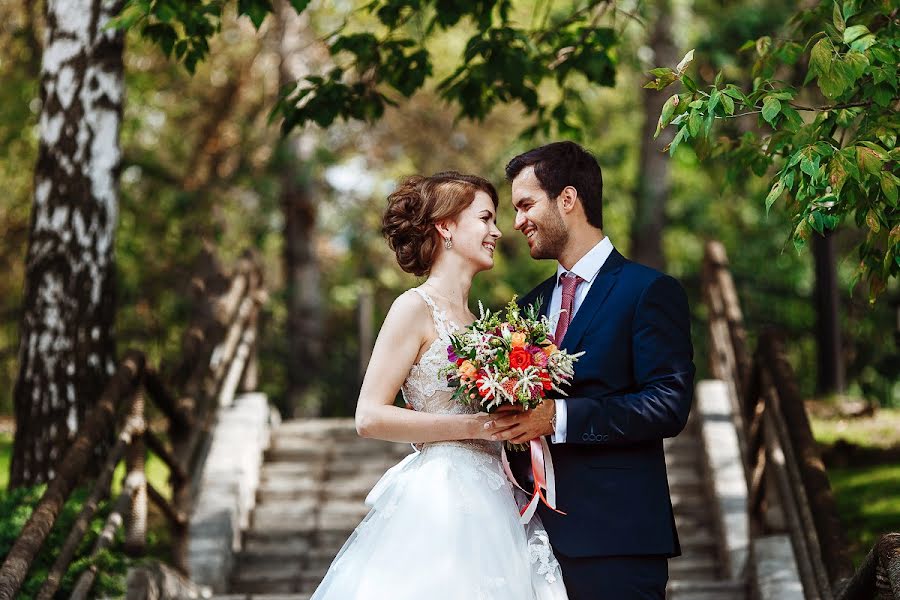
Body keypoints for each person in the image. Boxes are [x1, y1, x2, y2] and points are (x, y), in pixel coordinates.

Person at [309, 171, 569, 600]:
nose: (497, 232)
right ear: (446, 226)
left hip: (500, 497)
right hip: (443, 498)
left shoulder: (486, 327)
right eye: (485, 219)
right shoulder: (413, 308)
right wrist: (476, 427)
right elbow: (369, 416)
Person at [486, 141, 695, 599]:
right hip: (530, 541)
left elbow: (668, 405)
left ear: (567, 199)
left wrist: (558, 418)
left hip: (617, 542)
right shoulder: (527, 306)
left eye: (525, 205)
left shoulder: (649, 291)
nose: (517, 221)